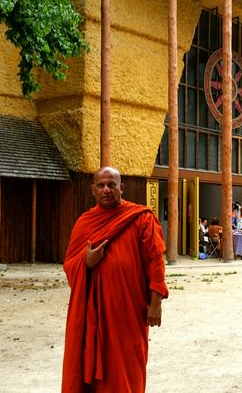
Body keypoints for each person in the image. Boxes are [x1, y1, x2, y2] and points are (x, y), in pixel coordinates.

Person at [62, 167, 169, 392]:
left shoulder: (141, 218)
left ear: (122, 187)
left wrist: (155, 304)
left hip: (129, 310)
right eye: (101, 186)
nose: (106, 190)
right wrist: (87, 261)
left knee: (128, 366)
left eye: (111, 184)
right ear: (93, 190)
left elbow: (155, 262)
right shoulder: (85, 222)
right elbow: (70, 265)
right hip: (94, 311)